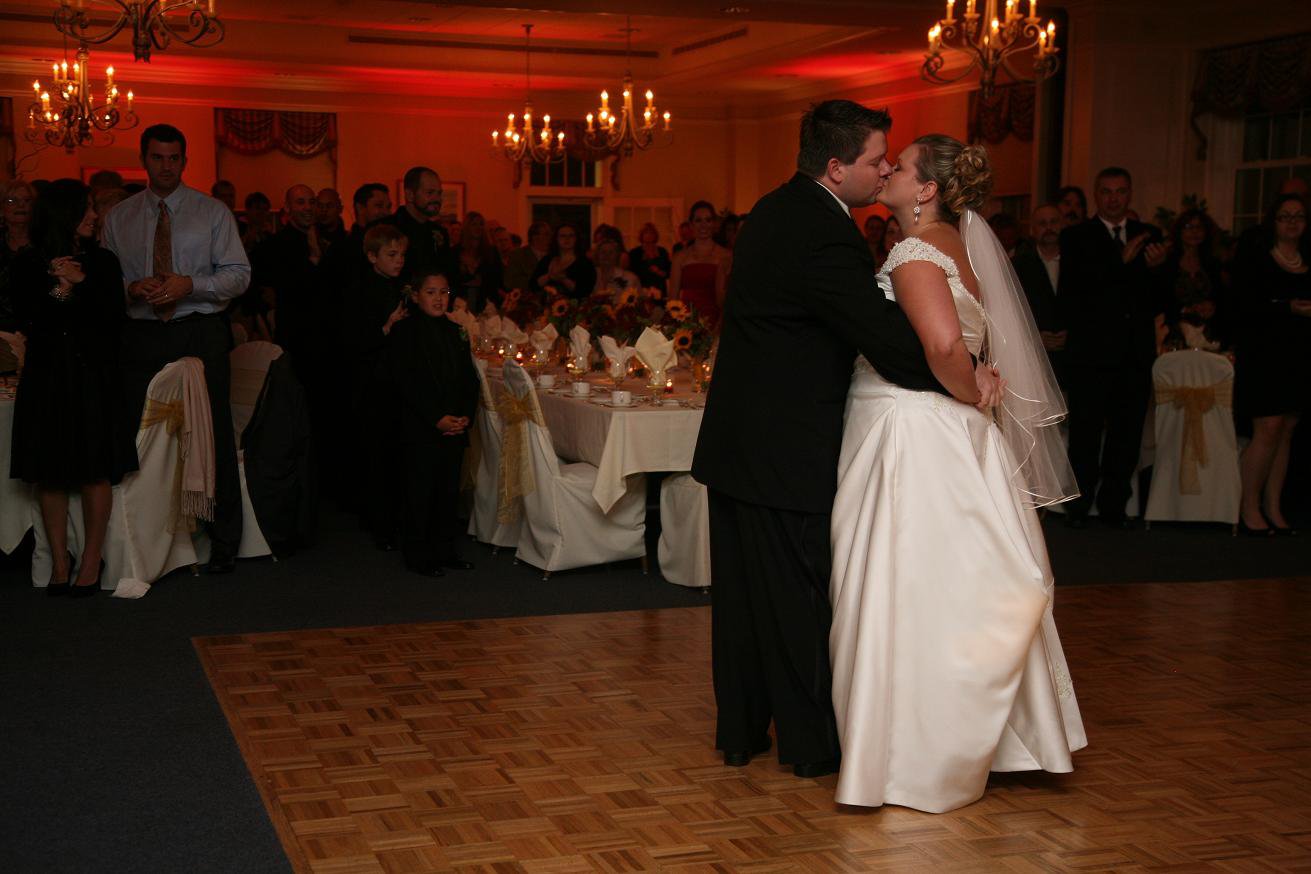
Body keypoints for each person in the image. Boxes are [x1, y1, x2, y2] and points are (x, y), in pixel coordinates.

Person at [691, 100, 1003, 779]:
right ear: (836, 169)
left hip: (739, 440)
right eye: (872, 161)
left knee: (743, 600)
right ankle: (812, 748)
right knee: (799, 599)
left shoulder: (774, 208)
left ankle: (741, 731)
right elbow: (884, 338)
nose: (883, 168)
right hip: (785, 446)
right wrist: (965, 375)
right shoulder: (823, 231)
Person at [829, 133, 1085, 813]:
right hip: (945, 429)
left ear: (926, 189)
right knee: (941, 580)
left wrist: (971, 389)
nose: (886, 169)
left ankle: (911, 752)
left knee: (902, 580)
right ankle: (979, 736)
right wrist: (977, 386)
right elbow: (966, 340)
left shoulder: (915, 251)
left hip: (910, 427)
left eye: (900, 166)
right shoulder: (961, 249)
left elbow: (944, 346)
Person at [101, 123, 250, 573]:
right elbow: (105, 285)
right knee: (137, 431)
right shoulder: (120, 217)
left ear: (184, 161)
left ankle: (223, 542)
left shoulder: (212, 213)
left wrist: (193, 284)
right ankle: (138, 539)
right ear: (144, 160)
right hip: (142, 333)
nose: (166, 166)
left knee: (212, 432)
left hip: (198, 329)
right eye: (157, 158)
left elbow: (239, 275)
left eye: (173, 158)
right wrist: (130, 288)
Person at [9, 179, 138, 595]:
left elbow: (113, 320)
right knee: (50, 474)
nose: (94, 216)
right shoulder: (30, 261)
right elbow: (30, 317)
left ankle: (90, 562)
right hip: (47, 377)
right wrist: (60, 288)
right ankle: (60, 563)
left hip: (91, 376)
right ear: (64, 214)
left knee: (94, 470)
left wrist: (81, 284)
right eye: (86, 209)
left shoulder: (103, 261)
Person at [1058, 166, 1169, 528]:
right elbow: (1075, 297)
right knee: (1086, 436)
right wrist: (1118, 264)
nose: (1114, 198)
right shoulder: (1077, 237)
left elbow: (1159, 300)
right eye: (1106, 191)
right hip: (1091, 355)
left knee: (1127, 434)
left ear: (1130, 194)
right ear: (1096, 194)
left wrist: (1157, 270)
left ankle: (1113, 507)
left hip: (1134, 354)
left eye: (1120, 191)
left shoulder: (1147, 235)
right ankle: (1080, 506)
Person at [381, 271, 479, 577]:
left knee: (447, 491)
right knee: (420, 490)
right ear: (416, 296)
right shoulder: (405, 332)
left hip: (453, 425)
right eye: (431, 292)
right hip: (421, 426)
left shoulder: (455, 331)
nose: (438, 299)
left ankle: (444, 549)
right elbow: (406, 382)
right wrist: (435, 418)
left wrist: (464, 415)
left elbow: (469, 379)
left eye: (444, 292)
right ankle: (419, 554)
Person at [1234, 193, 1309, 535]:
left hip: (1298, 353)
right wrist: (1287, 308)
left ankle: (1273, 507)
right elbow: (1246, 307)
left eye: (1298, 216)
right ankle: (1248, 506)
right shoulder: (1258, 259)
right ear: (1273, 221)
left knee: (1287, 430)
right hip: (1265, 354)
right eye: (1285, 216)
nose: (1292, 222)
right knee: (1267, 429)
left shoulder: (1308, 259)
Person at [342, 223, 409, 545]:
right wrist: (387, 326)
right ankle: (378, 523)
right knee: (375, 453)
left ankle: (392, 518)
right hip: (370, 381)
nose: (399, 261)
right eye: (391, 255)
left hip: (392, 379)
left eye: (402, 255)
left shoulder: (397, 288)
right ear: (372, 257)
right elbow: (352, 339)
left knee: (393, 450)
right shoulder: (361, 289)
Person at [1012, 203, 1067, 379]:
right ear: (1033, 230)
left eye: (1054, 222)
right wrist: (1036, 337)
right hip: (1034, 361)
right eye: (1042, 224)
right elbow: (1013, 311)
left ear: (1063, 225)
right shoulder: (1018, 265)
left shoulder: (1080, 261)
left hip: (1074, 361)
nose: (1049, 228)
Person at [1161, 208, 1227, 350]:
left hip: (1208, 333)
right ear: (1179, 231)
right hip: (1175, 333)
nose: (1194, 232)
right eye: (1188, 227)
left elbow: (1222, 297)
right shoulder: (1168, 262)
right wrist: (1186, 310)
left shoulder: (1213, 263)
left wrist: (1211, 306)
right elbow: (1161, 298)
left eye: (1199, 227)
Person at [670, 201, 731, 327]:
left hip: (718, 323)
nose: (703, 225)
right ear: (691, 224)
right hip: (686, 325)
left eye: (708, 220)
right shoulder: (680, 257)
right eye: (698, 220)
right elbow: (673, 300)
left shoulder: (726, 256)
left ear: (714, 224)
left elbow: (730, 298)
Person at [389, 166, 454, 279]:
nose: (437, 199)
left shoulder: (439, 232)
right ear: (410, 195)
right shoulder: (389, 228)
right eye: (429, 193)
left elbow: (448, 275)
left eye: (439, 193)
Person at [1, 180, 35, 345]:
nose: (21, 206)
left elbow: (59, 294)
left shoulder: (43, 243)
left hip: (37, 330)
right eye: (11, 201)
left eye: (27, 201)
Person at [454, 211, 503, 312]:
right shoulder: (455, 252)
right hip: (460, 304)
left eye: (481, 224)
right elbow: (450, 280)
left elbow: (498, 279)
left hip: (486, 304)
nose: (478, 227)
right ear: (467, 227)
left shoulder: (491, 252)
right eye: (474, 224)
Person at [531, 223, 594, 300]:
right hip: (546, 307)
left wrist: (563, 279)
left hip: (575, 308)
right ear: (556, 239)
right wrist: (549, 276)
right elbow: (533, 285)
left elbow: (584, 291)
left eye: (571, 235)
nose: (567, 239)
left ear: (576, 239)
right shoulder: (546, 260)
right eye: (562, 236)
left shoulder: (585, 263)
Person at [504, 220, 551, 295]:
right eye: (537, 234)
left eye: (547, 234)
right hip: (526, 300)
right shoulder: (518, 255)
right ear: (533, 237)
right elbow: (509, 282)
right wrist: (535, 282)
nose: (543, 237)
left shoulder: (554, 256)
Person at [628, 222, 671, 293]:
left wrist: (658, 271)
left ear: (655, 235)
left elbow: (669, 272)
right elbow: (631, 273)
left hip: (659, 290)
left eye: (651, 233)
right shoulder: (634, 252)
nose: (649, 235)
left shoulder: (662, 251)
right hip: (641, 289)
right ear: (641, 235)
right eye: (646, 233)